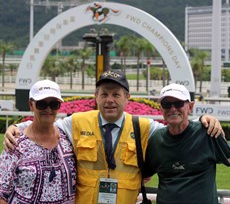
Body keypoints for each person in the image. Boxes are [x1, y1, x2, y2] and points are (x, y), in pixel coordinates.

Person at [3, 71, 224, 204]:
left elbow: (178, 125)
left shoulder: (144, 127)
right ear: (95, 97)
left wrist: (204, 120)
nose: (110, 100)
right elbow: (46, 122)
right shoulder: (77, 122)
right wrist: (15, 127)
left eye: (116, 94)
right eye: (104, 94)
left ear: (127, 97)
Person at [143, 83, 230, 204]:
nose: (173, 109)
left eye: (178, 103)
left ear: (190, 106)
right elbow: (142, 174)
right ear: (161, 108)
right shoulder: (156, 140)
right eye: (167, 104)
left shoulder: (208, 133)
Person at [0, 80, 77, 204]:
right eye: (41, 104)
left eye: (54, 104)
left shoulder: (67, 138)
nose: (48, 109)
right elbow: (2, 193)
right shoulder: (15, 144)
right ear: (31, 105)